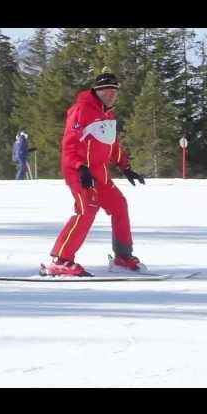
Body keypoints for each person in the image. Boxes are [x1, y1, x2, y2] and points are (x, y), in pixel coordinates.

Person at [46, 69, 146, 276]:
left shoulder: (108, 114)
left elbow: (112, 143)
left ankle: (123, 257)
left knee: (119, 205)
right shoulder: (82, 109)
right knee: (87, 209)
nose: (111, 94)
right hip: (79, 171)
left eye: (114, 91)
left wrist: (125, 166)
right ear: (96, 91)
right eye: (106, 90)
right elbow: (70, 144)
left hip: (99, 174)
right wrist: (80, 167)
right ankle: (61, 260)